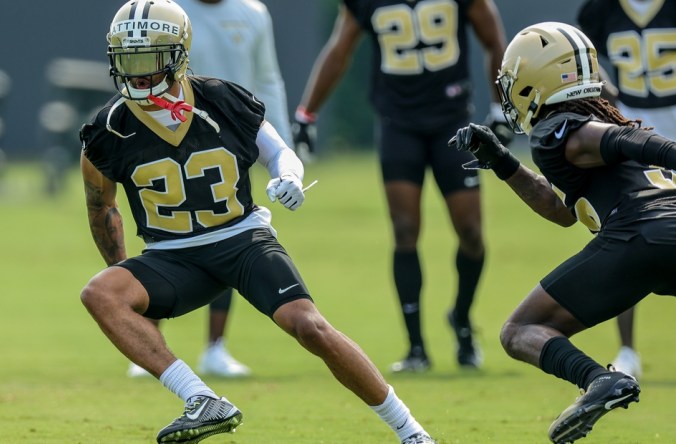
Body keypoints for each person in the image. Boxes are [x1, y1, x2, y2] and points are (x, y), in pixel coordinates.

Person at [79, 1, 435, 443]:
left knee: (309, 326)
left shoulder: (220, 98)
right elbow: (101, 206)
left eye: (149, 59)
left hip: (241, 240)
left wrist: (289, 176)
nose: (137, 73)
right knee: (101, 293)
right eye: (127, 60)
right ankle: (202, 399)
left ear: (178, 56)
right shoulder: (107, 129)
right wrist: (122, 271)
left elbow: (279, 152)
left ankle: (413, 433)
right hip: (171, 257)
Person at [450, 21, 676, 443]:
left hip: (639, 235)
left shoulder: (562, 128)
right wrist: (502, 163)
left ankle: (599, 380)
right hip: (664, 234)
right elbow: (561, 210)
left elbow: (613, 139)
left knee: (519, 331)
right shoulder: (588, 124)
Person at [293, 0, 508, 372]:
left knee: (471, 231)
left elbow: (495, 40)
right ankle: (416, 347)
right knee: (406, 230)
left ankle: (461, 318)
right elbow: (340, 49)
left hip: (452, 121)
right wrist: (307, 113)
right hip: (399, 124)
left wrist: (502, 107)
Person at [127, 0, 293, 379]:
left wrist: (281, 149)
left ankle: (215, 347)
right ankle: (149, 338)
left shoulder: (253, 12)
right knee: (166, 229)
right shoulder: (169, 10)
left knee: (228, 232)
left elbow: (267, 78)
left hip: (234, 130)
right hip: (171, 131)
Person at [576, 0, 676, 380]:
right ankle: (627, 348)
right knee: (625, 231)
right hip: (631, 135)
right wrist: (609, 96)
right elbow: (583, 57)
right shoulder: (601, 9)